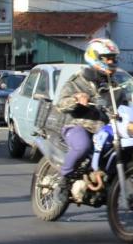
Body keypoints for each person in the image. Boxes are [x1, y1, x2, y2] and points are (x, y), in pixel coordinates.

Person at [51, 38, 126, 190]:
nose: (112, 62)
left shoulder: (114, 85)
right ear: (95, 57)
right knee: (82, 146)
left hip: (104, 129)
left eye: (113, 58)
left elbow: (124, 107)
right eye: (108, 58)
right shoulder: (78, 81)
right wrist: (76, 99)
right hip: (77, 125)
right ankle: (63, 180)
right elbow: (61, 103)